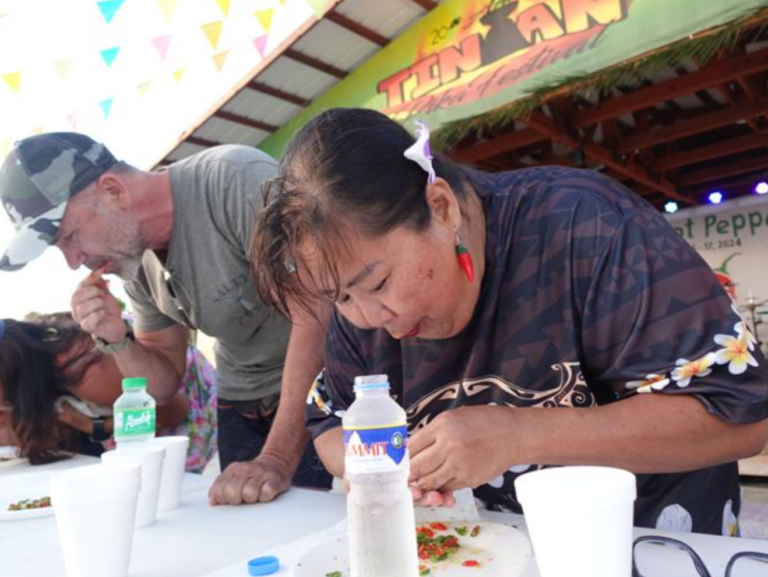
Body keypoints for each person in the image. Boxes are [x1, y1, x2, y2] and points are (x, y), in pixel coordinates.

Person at [251, 108, 768, 536]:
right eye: (341, 297)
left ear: (441, 206)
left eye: (380, 283)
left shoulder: (586, 229)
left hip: (651, 544)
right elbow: (329, 422)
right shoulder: (359, 313)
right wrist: (391, 469)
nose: (374, 320)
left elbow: (741, 415)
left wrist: (518, 434)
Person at [0, 133, 331, 503]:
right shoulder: (135, 260)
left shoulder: (233, 179)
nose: (74, 261)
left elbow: (316, 311)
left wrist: (276, 458)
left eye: (69, 237)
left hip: (323, 385)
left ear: (113, 191)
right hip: (242, 396)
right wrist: (116, 339)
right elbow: (162, 385)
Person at [0, 314, 217, 470]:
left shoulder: (85, 370)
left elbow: (173, 411)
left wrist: (94, 426)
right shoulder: (49, 351)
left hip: (198, 433)